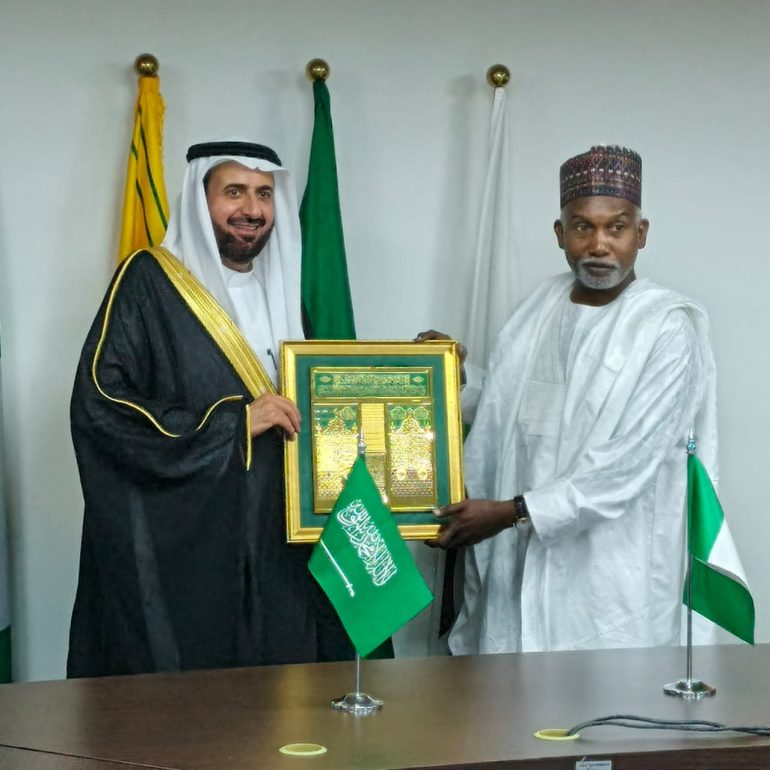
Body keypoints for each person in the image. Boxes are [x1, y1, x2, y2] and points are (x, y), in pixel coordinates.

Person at [68, 140, 352, 677]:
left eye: (265, 194)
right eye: (234, 192)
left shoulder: (285, 296)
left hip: (278, 538)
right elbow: (99, 405)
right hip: (192, 542)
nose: (252, 209)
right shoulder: (148, 281)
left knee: (282, 699)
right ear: (201, 202)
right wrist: (234, 426)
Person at [424, 145, 718, 654]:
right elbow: (510, 410)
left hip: (608, 574)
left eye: (617, 227)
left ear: (641, 234)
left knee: (606, 716)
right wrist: (448, 377)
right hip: (517, 561)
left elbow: (627, 468)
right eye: (582, 227)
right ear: (560, 234)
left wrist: (509, 512)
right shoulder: (540, 306)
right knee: (509, 716)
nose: (599, 245)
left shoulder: (667, 328)